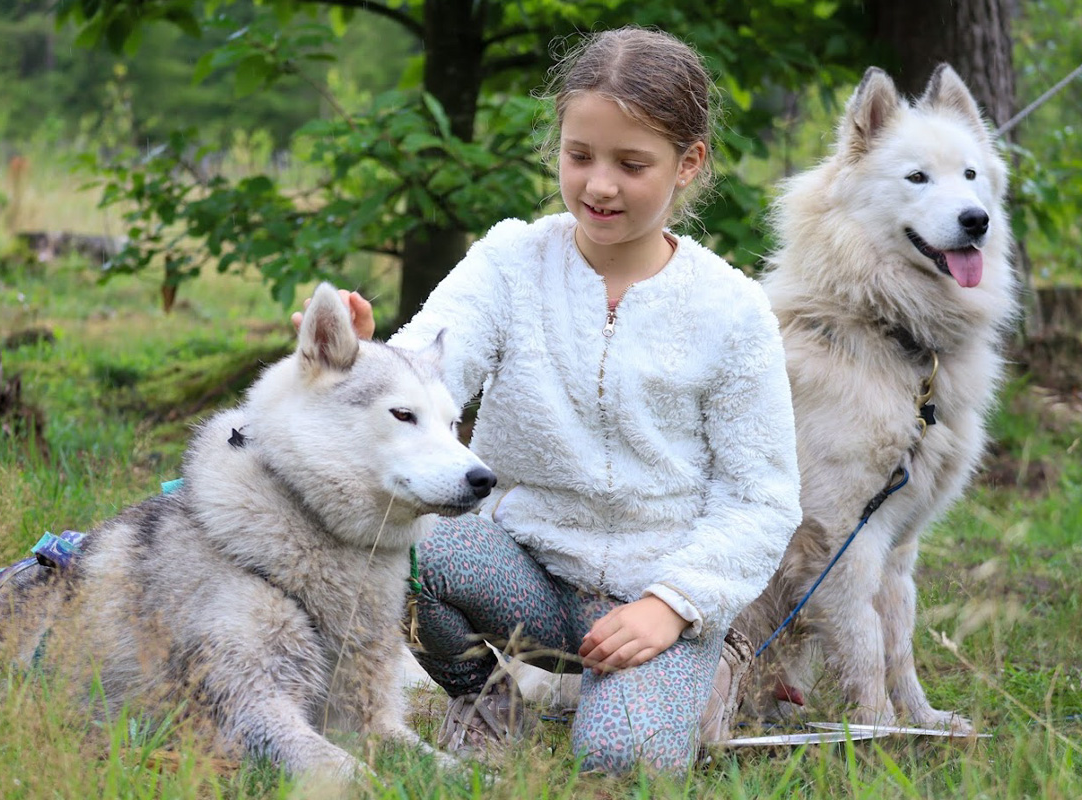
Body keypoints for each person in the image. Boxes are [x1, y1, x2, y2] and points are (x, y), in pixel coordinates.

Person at [296, 26, 801, 775]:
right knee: (394, 544)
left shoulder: (734, 311)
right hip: (521, 570)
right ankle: (484, 701)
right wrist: (362, 357)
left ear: (688, 163)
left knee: (621, 761)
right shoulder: (511, 260)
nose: (599, 185)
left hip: (655, 597)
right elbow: (427, 373)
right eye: (579, 156)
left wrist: (672, 603)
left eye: (632, 164)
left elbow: (762, 499)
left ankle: (714, 666)